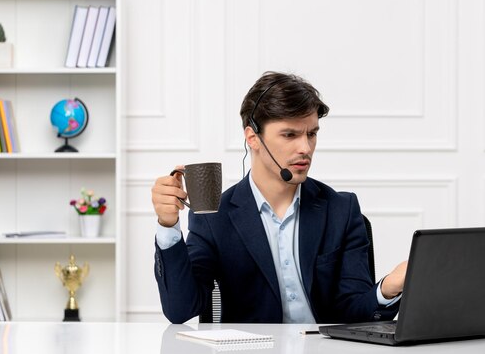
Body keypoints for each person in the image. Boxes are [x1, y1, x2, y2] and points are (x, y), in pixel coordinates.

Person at [152, 71, 407, 324]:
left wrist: (388, 287)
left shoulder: (341, 209)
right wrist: (168, 227)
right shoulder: (214, 217)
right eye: (290, 135)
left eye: (311, 134)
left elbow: (354, 312)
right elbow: (180, 309)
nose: (305, 148)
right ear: (253, 138)